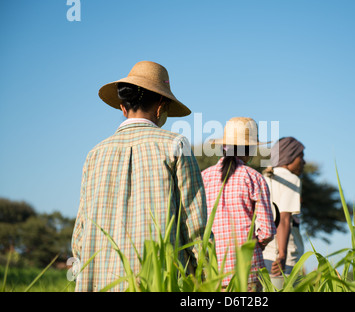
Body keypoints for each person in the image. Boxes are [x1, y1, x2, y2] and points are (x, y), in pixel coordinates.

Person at [71, 61, 207, 291]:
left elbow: (81, 231)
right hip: (157, 280)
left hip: (100, 280)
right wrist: (204, 275)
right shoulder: (175, 145)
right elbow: (194, 224)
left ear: (123, 108)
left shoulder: (95, 154)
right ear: (161, 105)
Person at [201, 117, 276, 292]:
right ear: (249, 149)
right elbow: (267, 231)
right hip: (248, 269)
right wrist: (258, 243)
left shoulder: (204, 177)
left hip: (213, 271)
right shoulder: (254, 178)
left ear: (222, 147)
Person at [263, 137, 306, 278]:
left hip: (263, 254)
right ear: (290, 156)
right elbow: (284, 219)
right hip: (283, 259)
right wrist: (282, 255)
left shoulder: (264, 177)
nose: (303, 162)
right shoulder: (291, 179)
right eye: (301, 156)